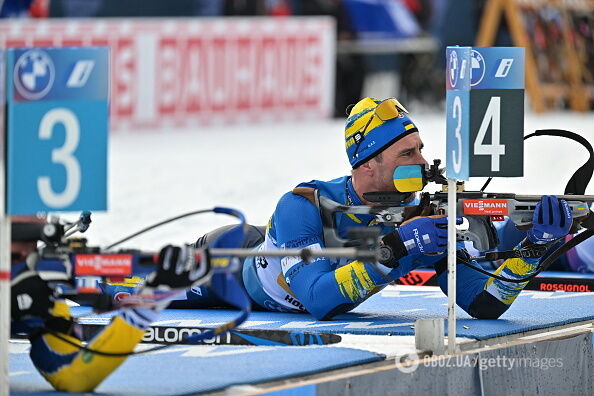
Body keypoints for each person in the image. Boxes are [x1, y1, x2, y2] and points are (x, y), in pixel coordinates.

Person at [161, 97, 574, 321]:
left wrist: (531, 250)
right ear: (367, 163)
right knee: (125, 292)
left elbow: (483, 305)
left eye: (420, 149)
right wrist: (394, 248)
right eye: (405, 152)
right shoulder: (303, 204)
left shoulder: (420, 211)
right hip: (224, 268)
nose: (421, 160)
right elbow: (318, 301)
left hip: (268, 291)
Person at [10, 216, 207, 393]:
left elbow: (75, 376)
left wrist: (151, 302)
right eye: (17, 240)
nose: (29, 254)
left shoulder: (41, 292)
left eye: (34, 243)